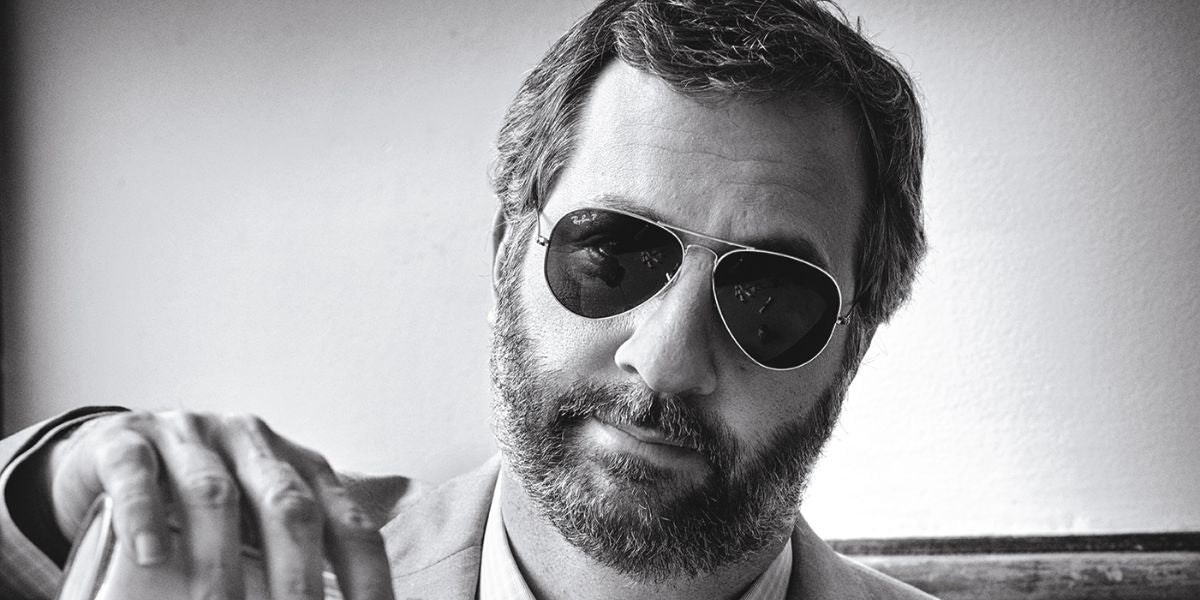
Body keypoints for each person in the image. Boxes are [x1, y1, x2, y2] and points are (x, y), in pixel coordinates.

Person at [0, 0, 933, 598]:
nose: (667, 358)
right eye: (610, 253)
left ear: (852, 350)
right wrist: (51, 486)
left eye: (771, 298)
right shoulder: (268, 576)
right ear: (503, 260)